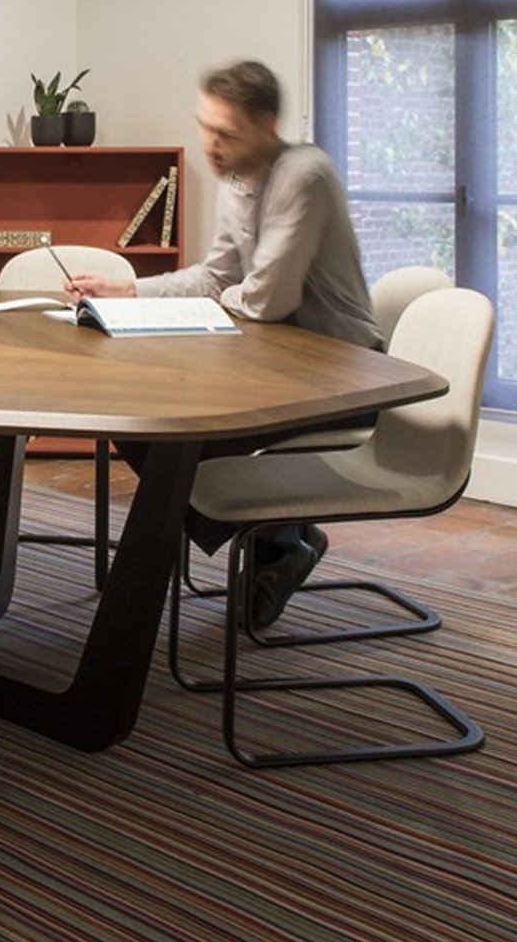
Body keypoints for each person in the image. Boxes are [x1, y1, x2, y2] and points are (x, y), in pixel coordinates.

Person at [67, 60, 383, 628]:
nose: (211, 145)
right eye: (205, 127)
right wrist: (128, 289)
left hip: (340, 374)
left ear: (268, 124)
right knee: (136, 418)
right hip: (271, 365)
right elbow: (218, 278)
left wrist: (215, 302)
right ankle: (280, 537)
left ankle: (279, 541)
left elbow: (267, 300)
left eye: (226, 133)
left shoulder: (303, 175)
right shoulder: (239, 178)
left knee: (180, 434)